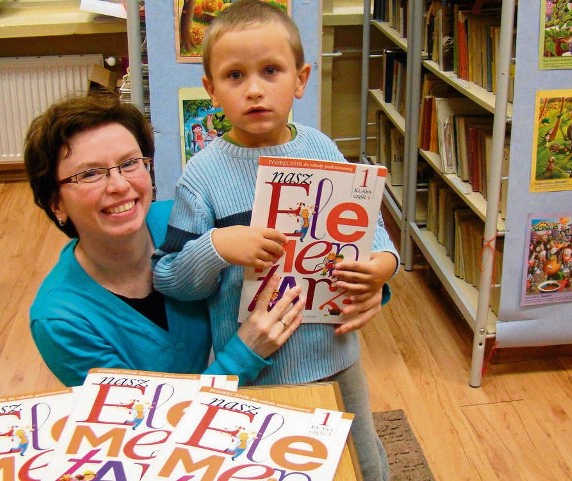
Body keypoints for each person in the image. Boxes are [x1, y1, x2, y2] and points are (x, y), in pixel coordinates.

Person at [151, 2, 399, 479]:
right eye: (235, 76)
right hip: (258, 371)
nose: (256, 90)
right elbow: (169, 276)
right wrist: (217, 246)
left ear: (300, 80)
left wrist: (382, 268)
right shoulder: (201, 176)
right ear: (211, 91)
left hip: (335, 356)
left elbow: (376, 236)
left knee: (362, 464)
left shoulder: (321, 149)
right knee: (269, 467)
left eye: (271, 71)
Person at [23, 93, 305, 388]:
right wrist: (244, 354)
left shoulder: (182, 220)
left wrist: (350, 292)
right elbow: (137, 420)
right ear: (55, 203)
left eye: (130, 163)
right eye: (91, 174)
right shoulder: (61, 320)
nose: (120, 185)